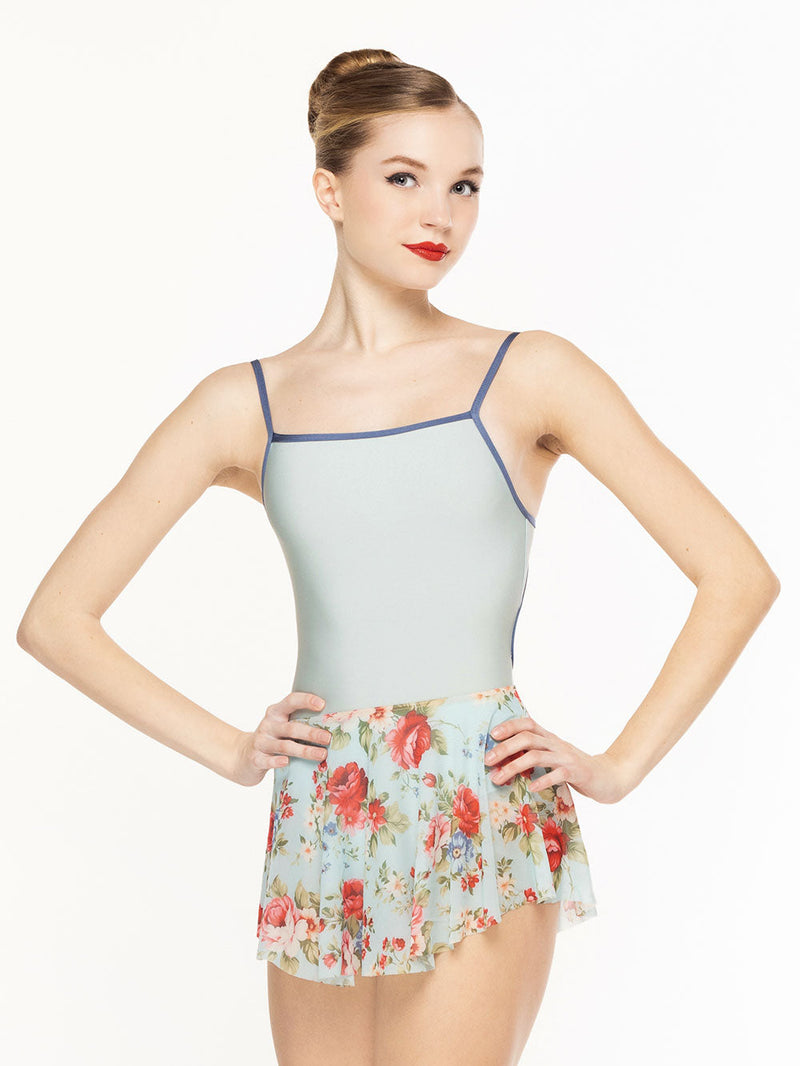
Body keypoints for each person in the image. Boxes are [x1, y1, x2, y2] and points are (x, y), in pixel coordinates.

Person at [16, 47, 780, 1066]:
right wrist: (233, 751)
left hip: (477, 796)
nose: (441, 215)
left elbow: (736, 575)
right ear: (329, 191)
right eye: (405, 178)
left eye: (465, 185)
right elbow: (56, 620)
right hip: (321, 807)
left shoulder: (527, 372)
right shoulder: (245, 404)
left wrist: (617, 765)